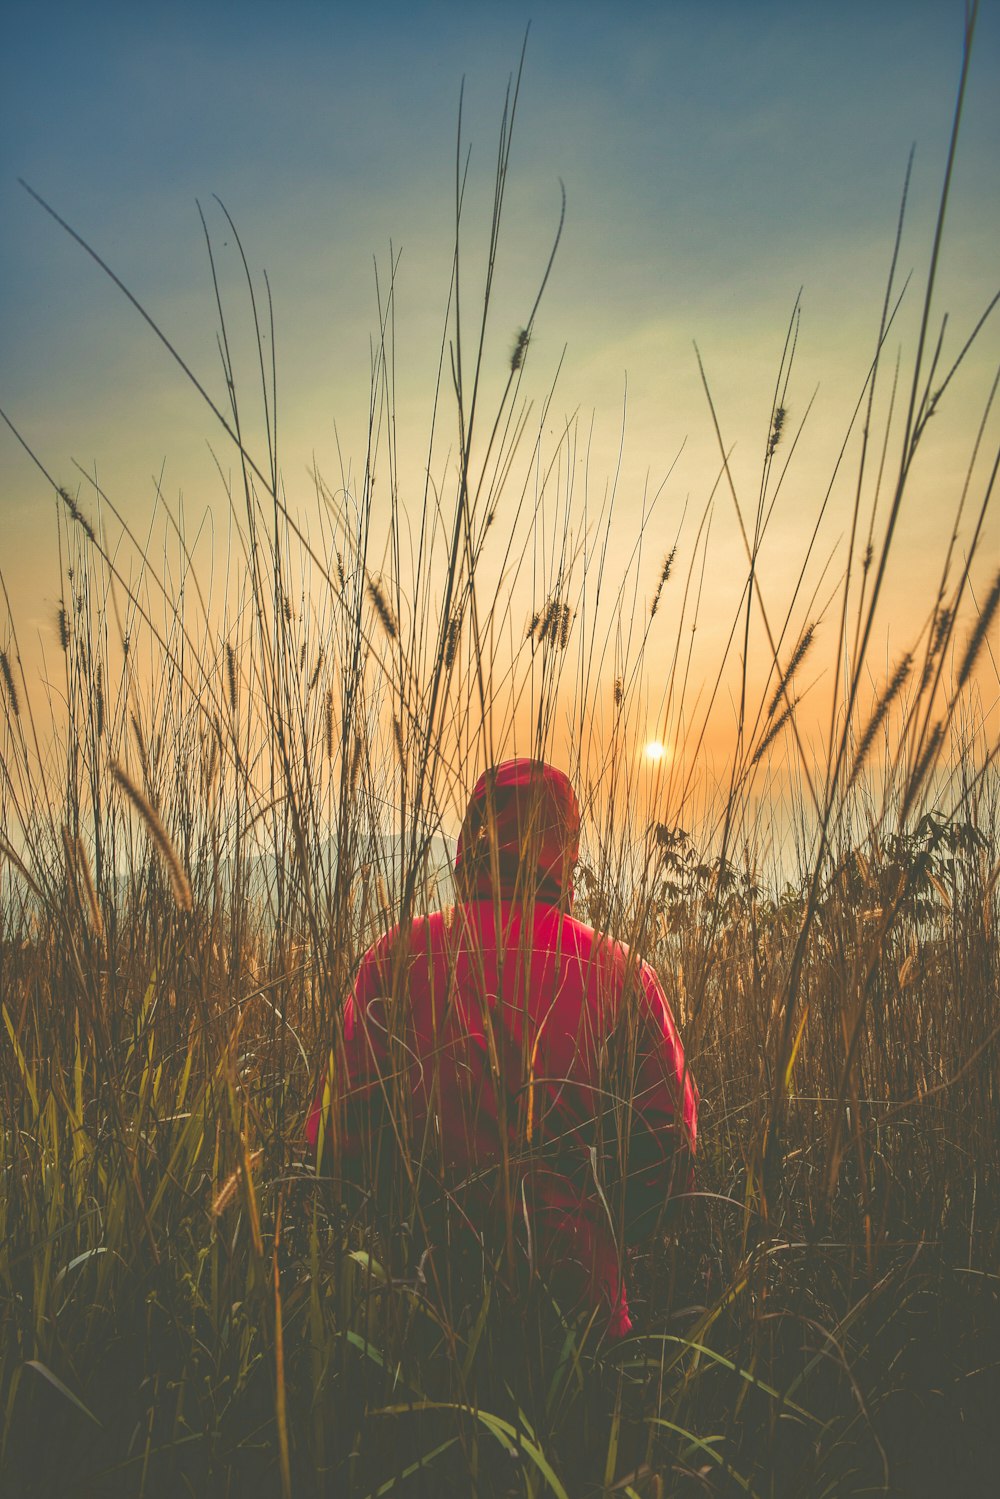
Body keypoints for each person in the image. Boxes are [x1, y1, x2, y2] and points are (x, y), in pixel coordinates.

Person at [306, 758, 697, 1338]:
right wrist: (593, 1230)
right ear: (566, 850)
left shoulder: (394, 957)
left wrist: (413, 1219)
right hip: (580, 1319)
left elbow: (333, 1149)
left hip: (421, 1317)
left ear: (468, 841)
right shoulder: (623, 973)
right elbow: (673, 1160)